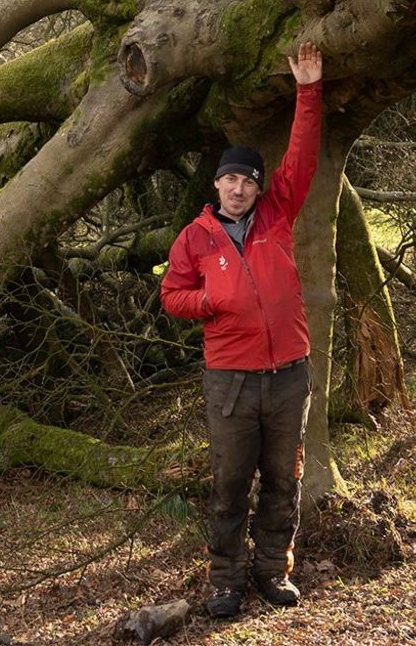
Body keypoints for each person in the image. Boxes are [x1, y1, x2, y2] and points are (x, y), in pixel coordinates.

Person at [160, 41, 323, 620]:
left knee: (284, 478)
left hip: (287, 376)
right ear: (217, 186)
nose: (238, 188)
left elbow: (301, 156)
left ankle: (273, 571)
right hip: (229, 380)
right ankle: (226, 581)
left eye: (247, 181)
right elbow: (171, 295)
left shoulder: (277, 215)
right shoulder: (194, 238)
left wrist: (308, 90)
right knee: (231, 484)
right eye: (230, 180)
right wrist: (209, 299)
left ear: (257, 187)